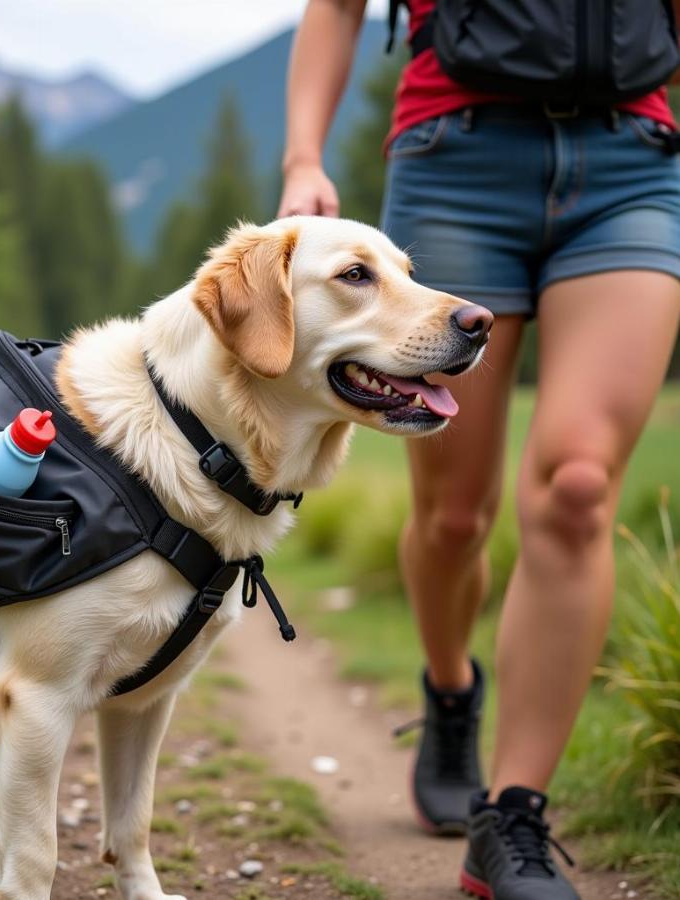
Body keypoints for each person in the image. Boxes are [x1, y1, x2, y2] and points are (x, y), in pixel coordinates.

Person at [278, 1, 680, 898]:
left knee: (577, 487)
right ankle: (451, 691)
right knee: (454, 517)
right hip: (455, 156)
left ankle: (512, 820)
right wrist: (304, 155)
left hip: (634, 164)